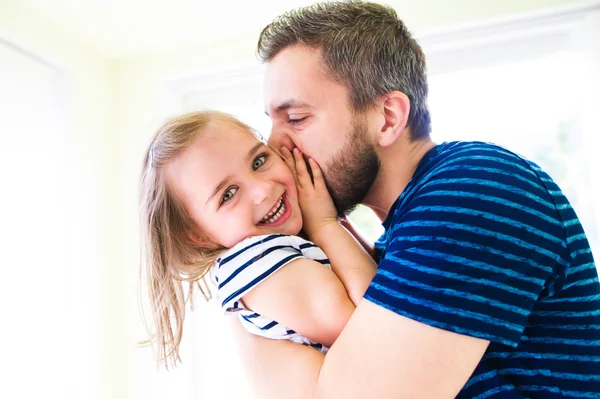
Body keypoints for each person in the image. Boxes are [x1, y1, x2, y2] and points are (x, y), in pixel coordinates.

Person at [231, 2, 600, 398]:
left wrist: (237, 273)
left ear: (387, 117)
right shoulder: (396, 243)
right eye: (271, 122)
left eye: (297, 118)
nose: (275, 146)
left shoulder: (473, 187)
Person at [139, 110, 377, 367]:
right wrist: (324, 224)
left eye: (258, 161)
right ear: (198, 236)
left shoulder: (283, 242)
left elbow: (375, 266)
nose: (262, 190)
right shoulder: (252, 263)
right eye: (228, 194)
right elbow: (374, 324)